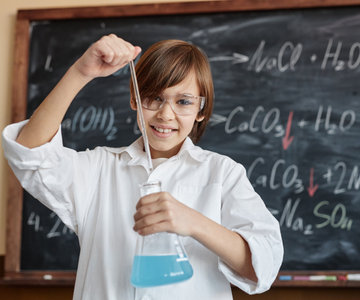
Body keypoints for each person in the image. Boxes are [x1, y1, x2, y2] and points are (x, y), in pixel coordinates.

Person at [2, 34, 283, 299]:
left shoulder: (222, 173)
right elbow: (30, 152)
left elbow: (263, 265)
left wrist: (194, 222)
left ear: (201, 109)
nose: (165, 114)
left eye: (183, 101)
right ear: (135, 99)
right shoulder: (99, 169)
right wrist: (80, 73)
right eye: (154, 98)